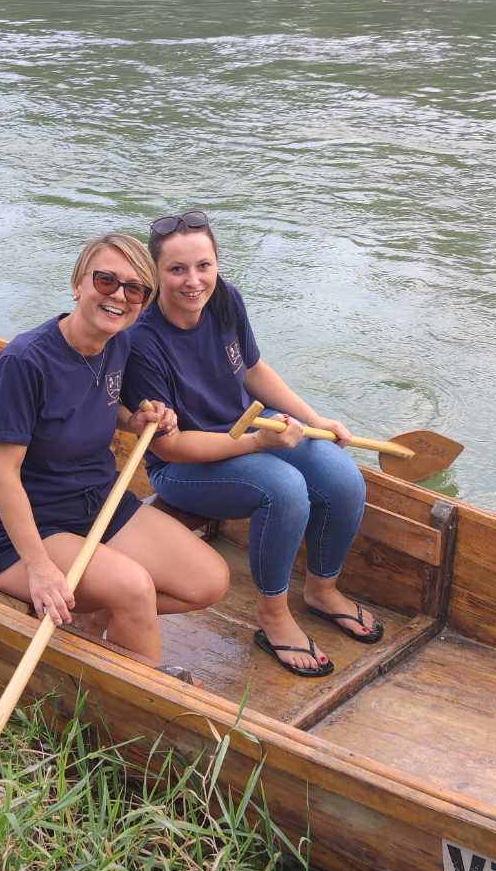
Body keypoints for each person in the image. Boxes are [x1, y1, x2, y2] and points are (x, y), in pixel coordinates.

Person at [123, 211, 379, 678]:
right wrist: (258, 442)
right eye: (176, 270)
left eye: (203, 266)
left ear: (217, 263)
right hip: (185, 463)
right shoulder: (141, 341)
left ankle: (322, 590)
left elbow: (253, 371)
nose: (193, 281)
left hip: (247, 429)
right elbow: (170, 448)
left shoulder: (224, 299)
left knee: (343, 479)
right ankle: (273, 616)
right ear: (155, 276)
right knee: (282, 489)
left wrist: (312, 418)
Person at [0, 233, 230, 664]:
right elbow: (3, 473)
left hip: (100, 502)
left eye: (135, 289)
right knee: (133, 588)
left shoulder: (119, 343)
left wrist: (136, 419)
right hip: (37, 528)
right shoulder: (24, 362)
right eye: (106, 281)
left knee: (209, 581)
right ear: (78, 284)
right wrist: (39, 568)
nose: (119, 296)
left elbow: (97, 399)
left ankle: (98, 621)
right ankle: (148, 706)